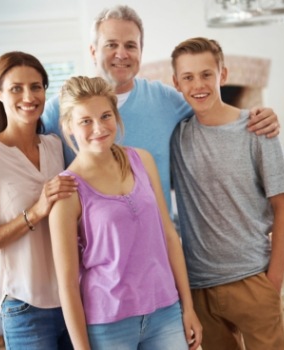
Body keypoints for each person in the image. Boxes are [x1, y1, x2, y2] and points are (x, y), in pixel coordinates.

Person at [0, 5, 281, 212]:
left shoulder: (167, 101)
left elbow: (212, 112)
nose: (121, 54)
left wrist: (253, 116)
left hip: (158, 250)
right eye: (111, 44)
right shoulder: (60, 109)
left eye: (130, 45)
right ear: (93, 50)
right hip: (94, 260)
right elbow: (15, 144)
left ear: (141, 51)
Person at [48, 75, 202, 350]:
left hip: (165, 310)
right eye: (85, 121)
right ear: (68, 126)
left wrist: (187, 307)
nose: (99, 127)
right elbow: (68, 285)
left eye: (106, 115)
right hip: (108, 324)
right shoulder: (66, 191)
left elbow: (168, 235)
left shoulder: (142, 160)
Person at [170, 37, 284, 350]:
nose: (198, 85)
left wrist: (274, 282)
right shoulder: (176, 136)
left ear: (222, 76)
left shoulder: (257, 130)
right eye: (188, 77)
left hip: (253, 280)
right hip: (199, 288)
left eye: (206, 74)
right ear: (176, 83)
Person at [0, 51, 77, 349]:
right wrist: (34, 213)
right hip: (25, 309)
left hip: (73, 301)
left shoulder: (56, 146)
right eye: (16, 88)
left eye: (36, 86)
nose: (28, 96)